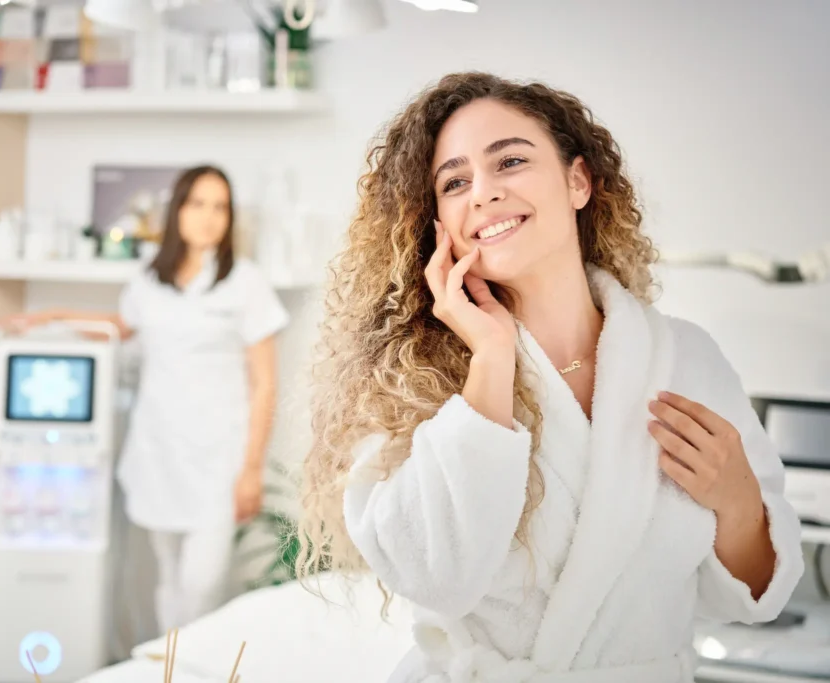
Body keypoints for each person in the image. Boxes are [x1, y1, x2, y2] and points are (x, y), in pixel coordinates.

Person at [296, 73, 804, 682]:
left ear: (578, 181)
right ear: (436, 223)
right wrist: (489, 358)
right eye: (454, 182)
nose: (482, 193)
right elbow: (438, 579)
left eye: (509, 160)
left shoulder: (688, 361)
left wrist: (740, 502)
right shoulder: (410, 387)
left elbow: (754, 599)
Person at [12, 165, 289, 633]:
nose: (209, 217)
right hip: (159, 449)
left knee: (202, 583)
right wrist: (51, 316)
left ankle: (191, 667)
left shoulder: (245, 282)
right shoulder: (148, 281)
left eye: (220, 207)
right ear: (177, 210)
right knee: (169, 578)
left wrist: (251, 469)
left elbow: (265, 384)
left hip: (220, 455)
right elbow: (118, 330)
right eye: (197, 204)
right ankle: (169, 668)